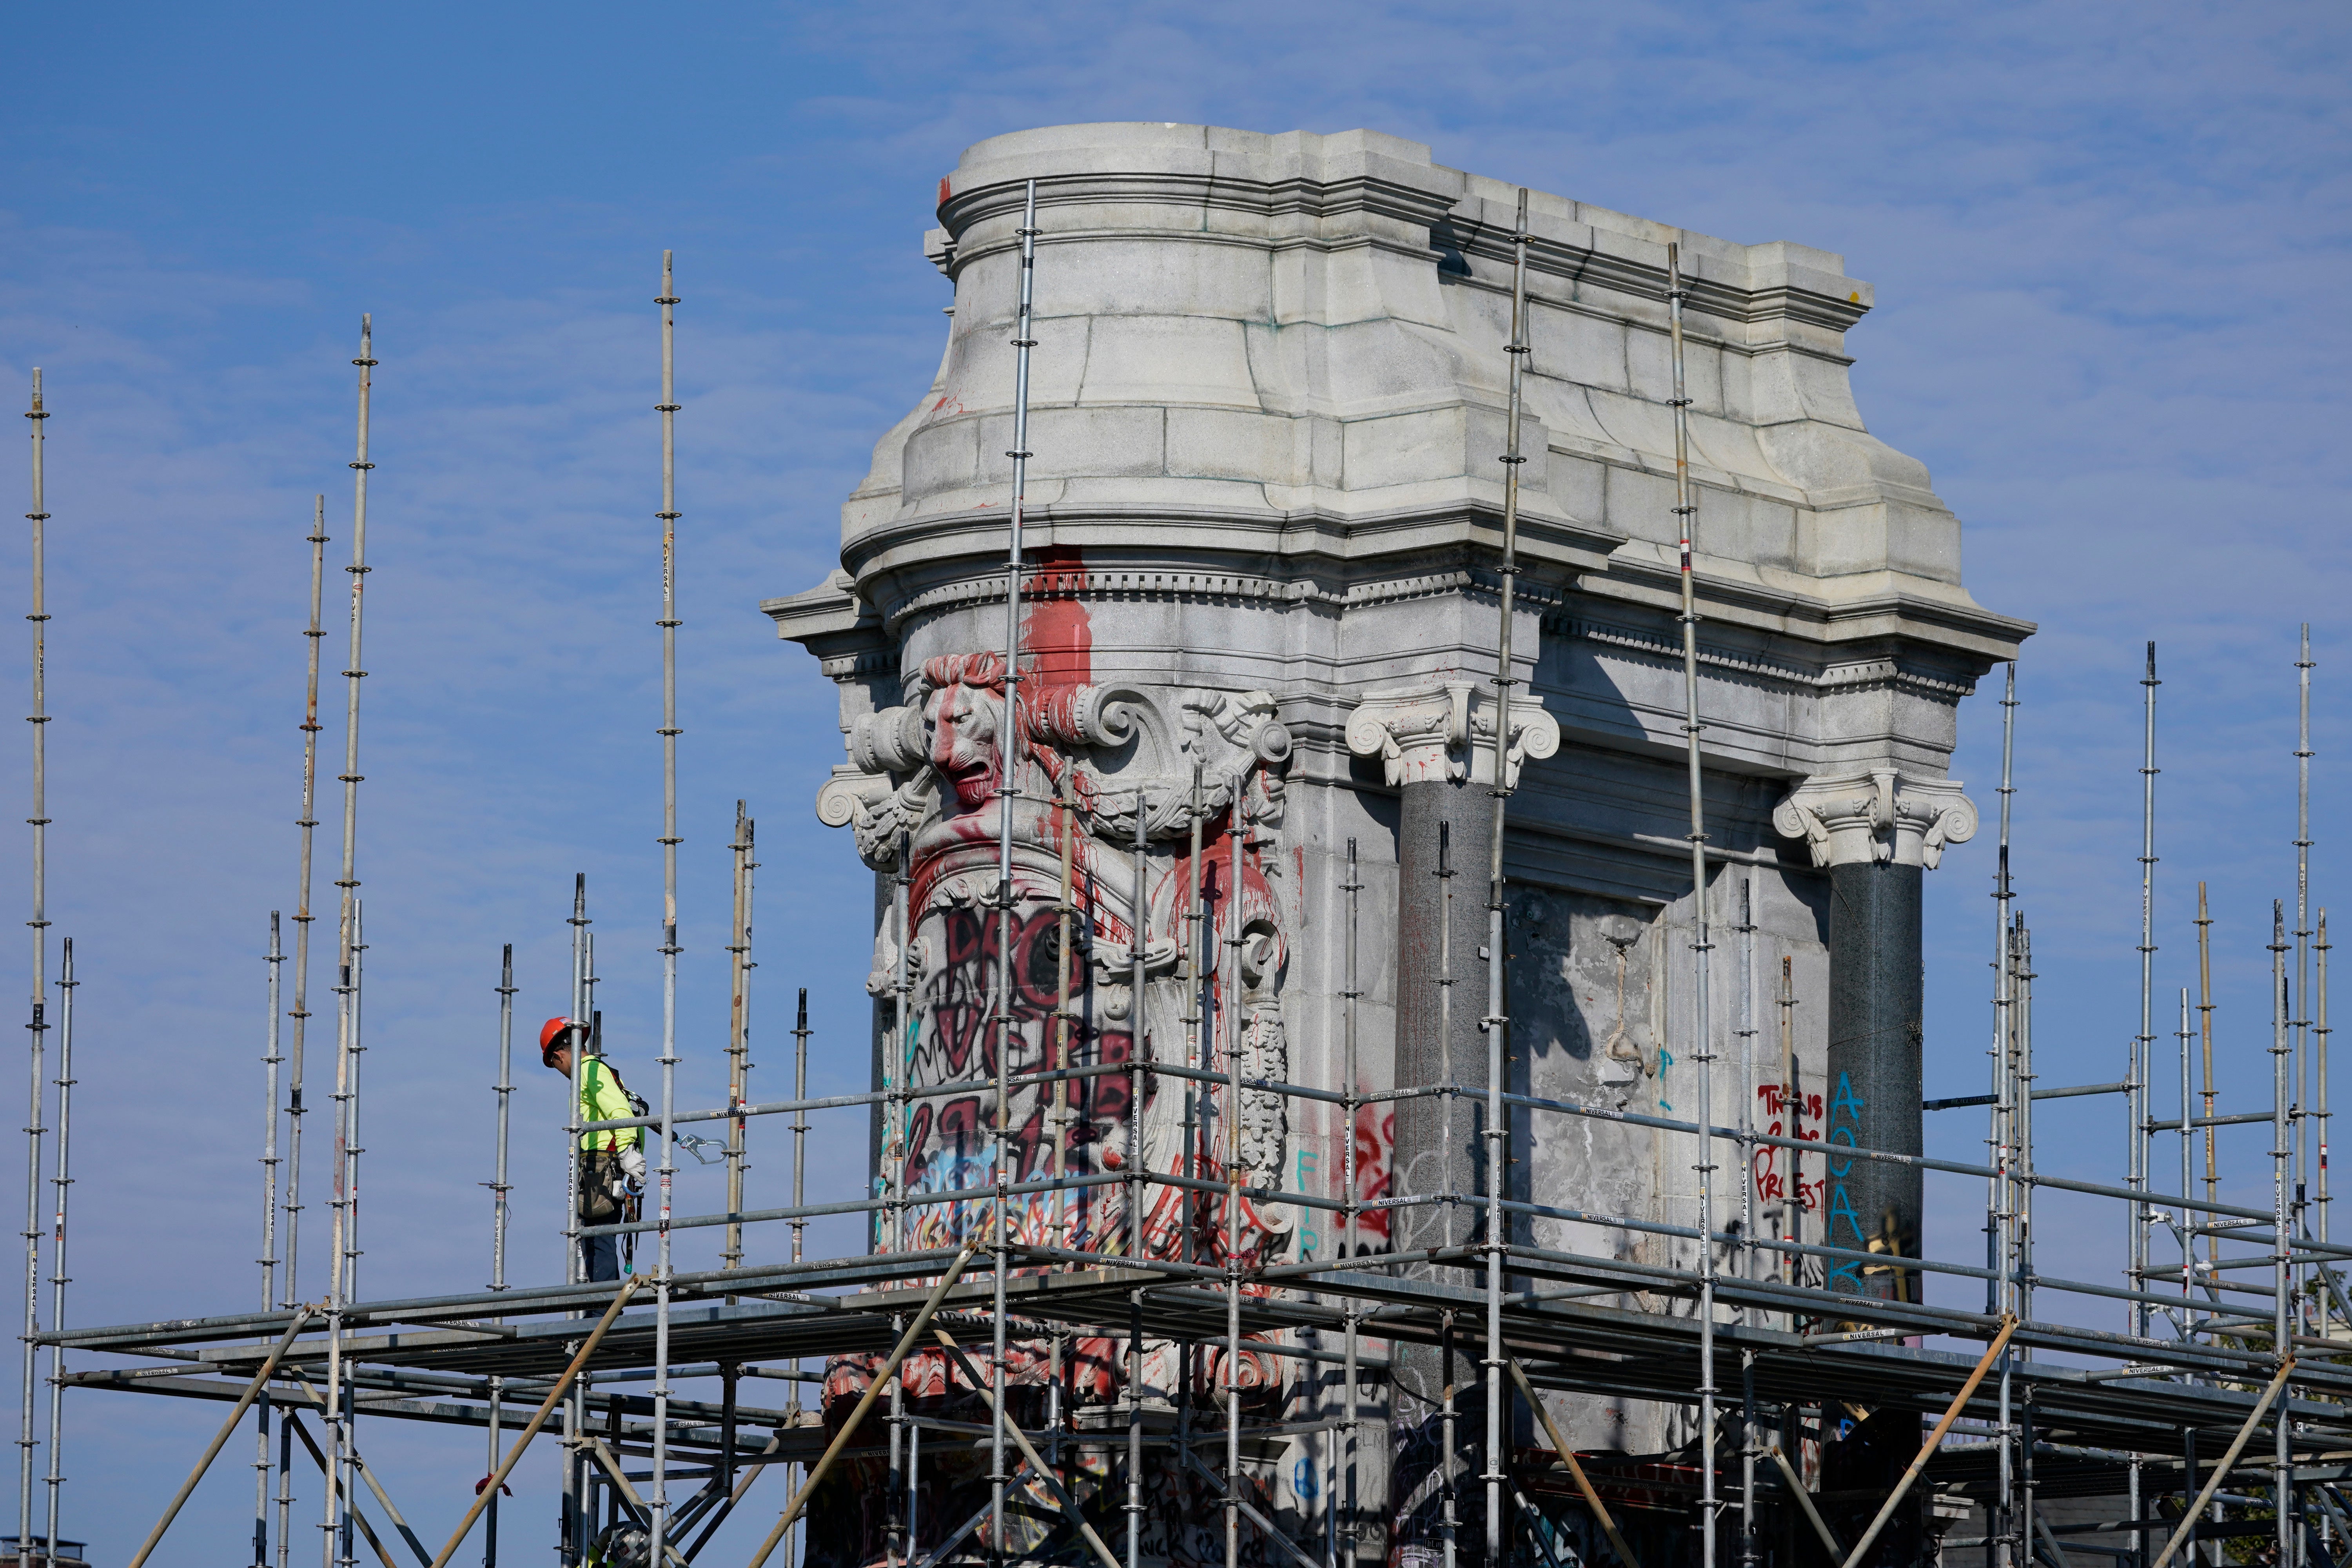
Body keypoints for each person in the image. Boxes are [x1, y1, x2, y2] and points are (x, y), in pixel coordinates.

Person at [540, 1016, 646, 1283]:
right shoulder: (595, 1073)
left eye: (554, 1064)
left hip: (602, 1168)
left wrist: (626, 1152)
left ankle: (603, 1311)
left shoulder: (590, 1071)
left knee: (599, 1241)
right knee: (594, 1240)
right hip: (598, 1168)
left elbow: (620, 1112)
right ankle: (600, 1308)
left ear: (558, 1056)